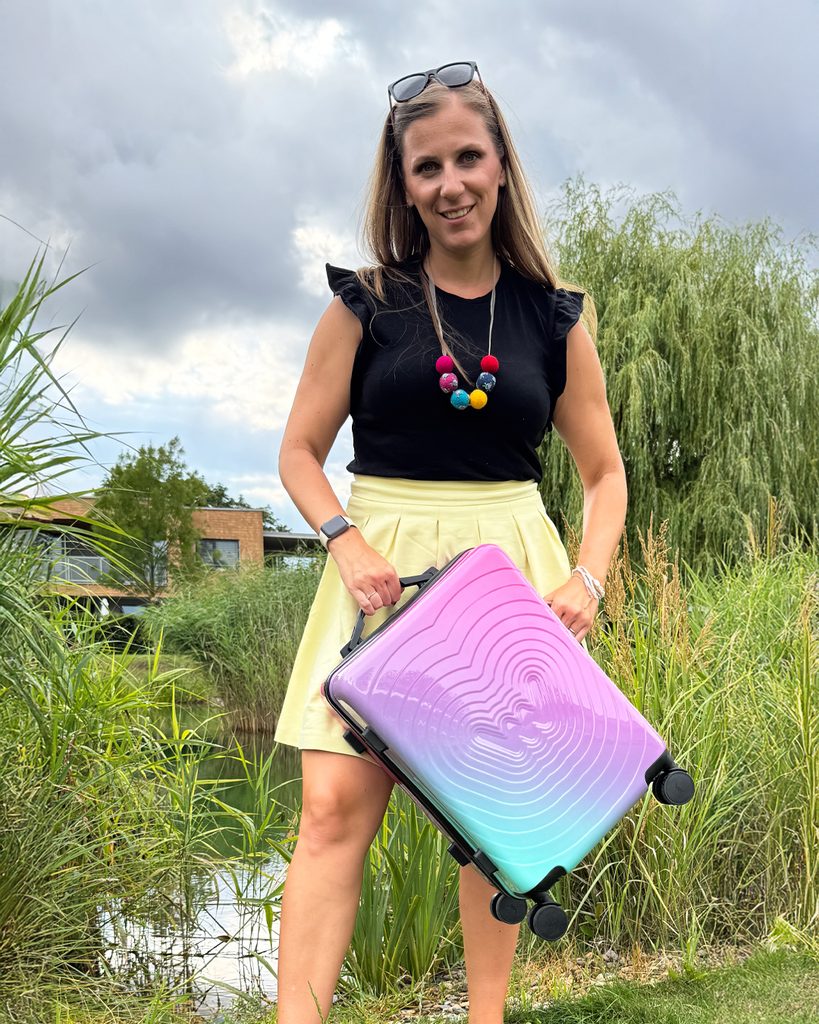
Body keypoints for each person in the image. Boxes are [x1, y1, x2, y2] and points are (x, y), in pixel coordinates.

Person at [274, 61, 627, 1024]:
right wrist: (342, 538)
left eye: (468, 157)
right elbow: (299, 453)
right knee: (331, 815)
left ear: (500, 164)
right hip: (377, 569)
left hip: (508, 577)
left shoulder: (554, 316)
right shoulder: (364, 304)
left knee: (496, 826)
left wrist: (589, 579)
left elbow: (604, 474)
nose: (450, 184)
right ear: (403, 186)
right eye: (426, 167)